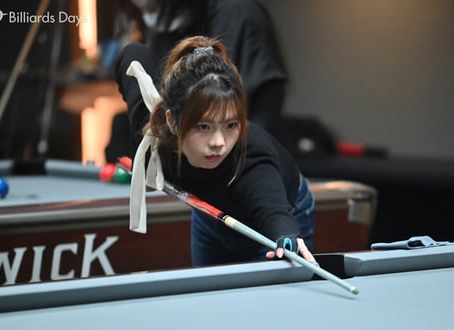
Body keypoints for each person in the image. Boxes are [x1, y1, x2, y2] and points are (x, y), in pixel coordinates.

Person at [115, 36, 315, 266]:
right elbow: (132, 52)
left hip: (277, 223)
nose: (219, 143)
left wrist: (286, 237)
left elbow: (275, 213)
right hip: (210, 213)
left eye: (230, 125)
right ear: (171, 121)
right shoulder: (152, 125)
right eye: (203, 127)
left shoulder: (249, 158)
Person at [106, 0, 288, 162]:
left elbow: (268, 103)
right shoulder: (161, 27)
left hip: (239, 160)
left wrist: (236, 160)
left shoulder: (239, 13)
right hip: (183, 161)